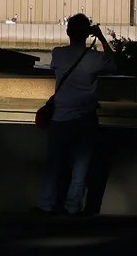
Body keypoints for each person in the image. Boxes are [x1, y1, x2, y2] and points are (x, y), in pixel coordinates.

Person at [36, 13, 116, 215]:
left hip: (60, 117)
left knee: (53, 165)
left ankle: (46, 204)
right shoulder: (94, 58)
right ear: (87, 34)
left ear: (68, 32)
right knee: (81, 168)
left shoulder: (58, 54)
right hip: (85, 118)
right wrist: (101, 37)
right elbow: (113, 64)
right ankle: (73, 207)